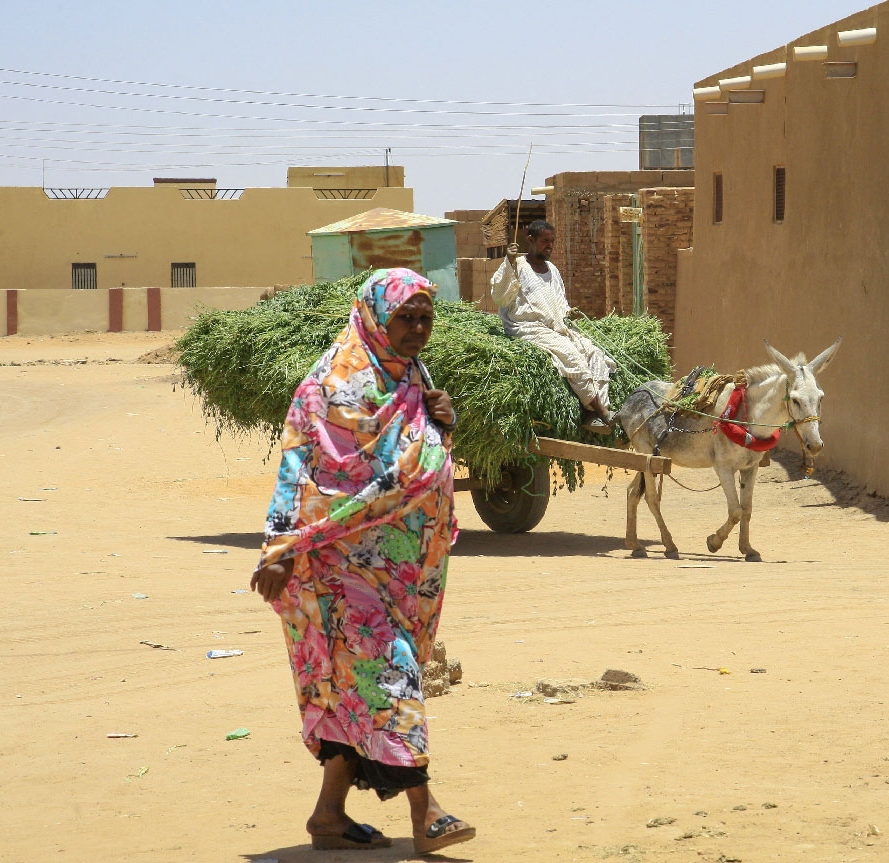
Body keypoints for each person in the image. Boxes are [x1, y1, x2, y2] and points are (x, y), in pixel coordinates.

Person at [249, 268, 476, 854]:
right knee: (389, 675)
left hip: (396, 566)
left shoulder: (412, 378)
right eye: (405, 317)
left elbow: (417, 462)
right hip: (334, 567)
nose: (418, 329)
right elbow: (300, 468)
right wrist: (280, 550)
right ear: (377, 315)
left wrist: (440, 425)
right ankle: (427, 813)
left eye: (425, 318)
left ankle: (329, 816)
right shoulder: (332, 385)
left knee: (351, 684)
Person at [490, 220, 617, 432]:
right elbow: (500, 297)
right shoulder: (517, 266)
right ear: (530, 241)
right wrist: (509, 262)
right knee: (571, 356)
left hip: (556, 328)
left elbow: (558, 301)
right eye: (544, 241)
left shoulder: (552, 270)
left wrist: (567, 312)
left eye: (552, 241)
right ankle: (602, 412)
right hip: (527, 327)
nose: (549, 245)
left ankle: (593, 409)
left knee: (595, 354)